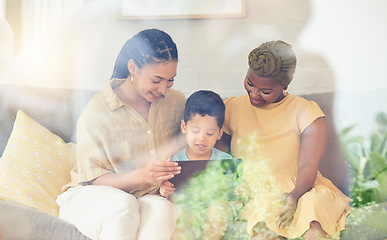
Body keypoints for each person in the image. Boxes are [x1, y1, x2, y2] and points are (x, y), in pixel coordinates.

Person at [56, 29, 186, 240]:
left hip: (146, 196)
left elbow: (196, 138)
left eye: (171, 80)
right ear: (133, 68)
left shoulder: (176, 102)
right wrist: (143, 175)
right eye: (156, 80)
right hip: (92, 195)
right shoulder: (98, 110)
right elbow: (93, 179)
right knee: (123, 205)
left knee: (164, 210)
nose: (163, 88)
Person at [216, 40, 352, 240]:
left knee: (314, 216)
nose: (254, 94)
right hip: (258, 194)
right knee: (266, 224)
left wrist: (293, 198)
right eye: (249, 83)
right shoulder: (231, 108)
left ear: (285, 85)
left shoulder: (305, 111)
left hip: (304, 189)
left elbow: (308, 163)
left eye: (266, 91)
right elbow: (218, 157)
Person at [167, 90, 234, 240]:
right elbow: (171, 195)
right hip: (187, 211)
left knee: (219, 209)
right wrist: (165, 190)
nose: (201, 139)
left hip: (214, 210)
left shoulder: (225, 160)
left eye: (210, 134)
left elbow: (231, 195)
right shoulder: (175, 160)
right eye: (195, 131)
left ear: (219, 134)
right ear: (184, 127)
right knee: (181, 219)